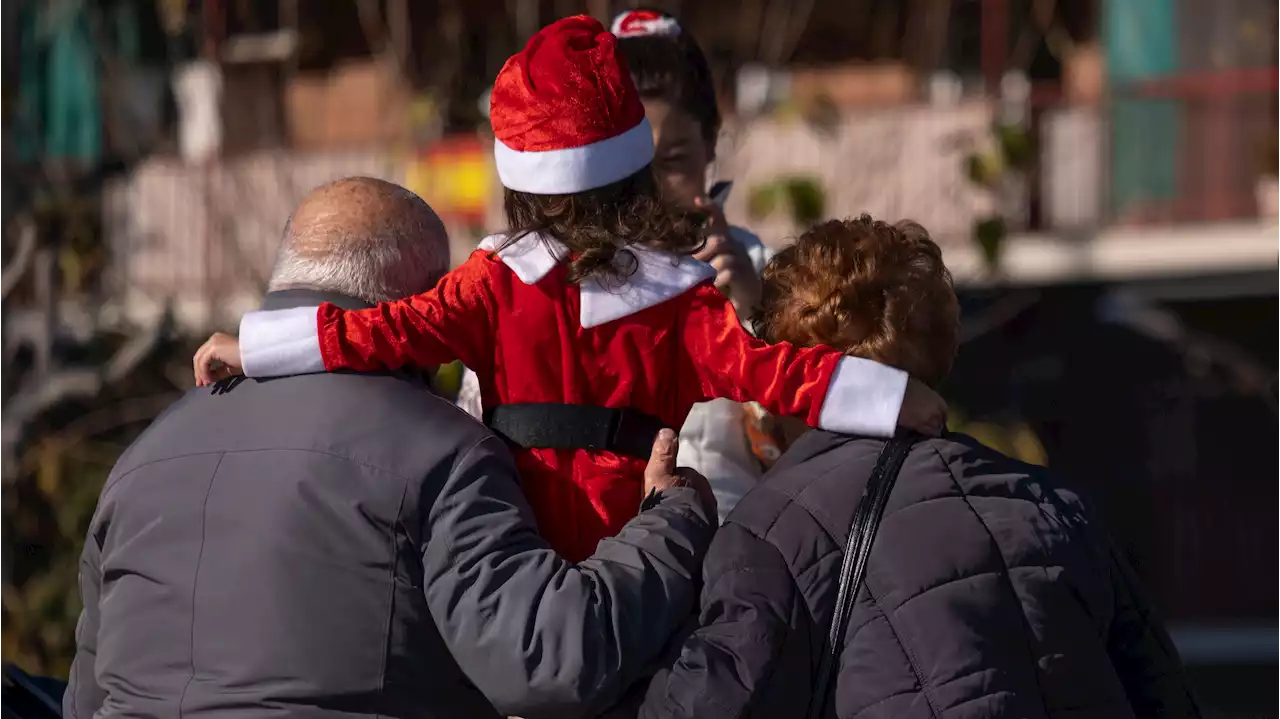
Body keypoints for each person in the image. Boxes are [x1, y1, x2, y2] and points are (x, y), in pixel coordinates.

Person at [190, 16, 947, 562]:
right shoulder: (685, 304)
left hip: (514, 559)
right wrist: (891, 395)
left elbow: (371, 332)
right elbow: (778, 372)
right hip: (650, 563)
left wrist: (251, 343)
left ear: (521, 181)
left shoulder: (487, 287)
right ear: (632, 172)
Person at [64, 177, 720, 719]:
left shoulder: (142, 456)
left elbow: (87, 695)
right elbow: (549, 659)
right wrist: (670, 518)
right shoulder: (442, 452)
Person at [634, 216, 1201, 718]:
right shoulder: (1052, 503)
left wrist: (662, 530)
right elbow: (1160, 692)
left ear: (789, 374)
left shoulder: (768, 531)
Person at [456, 7, 776, 522]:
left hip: (737, 552)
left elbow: (803, 454)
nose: (649, 189)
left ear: (711, 142)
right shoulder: (536, 277)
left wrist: (755, 316)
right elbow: (476, 434)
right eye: (628, 165)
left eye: (672, 161)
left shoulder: (766, 273)